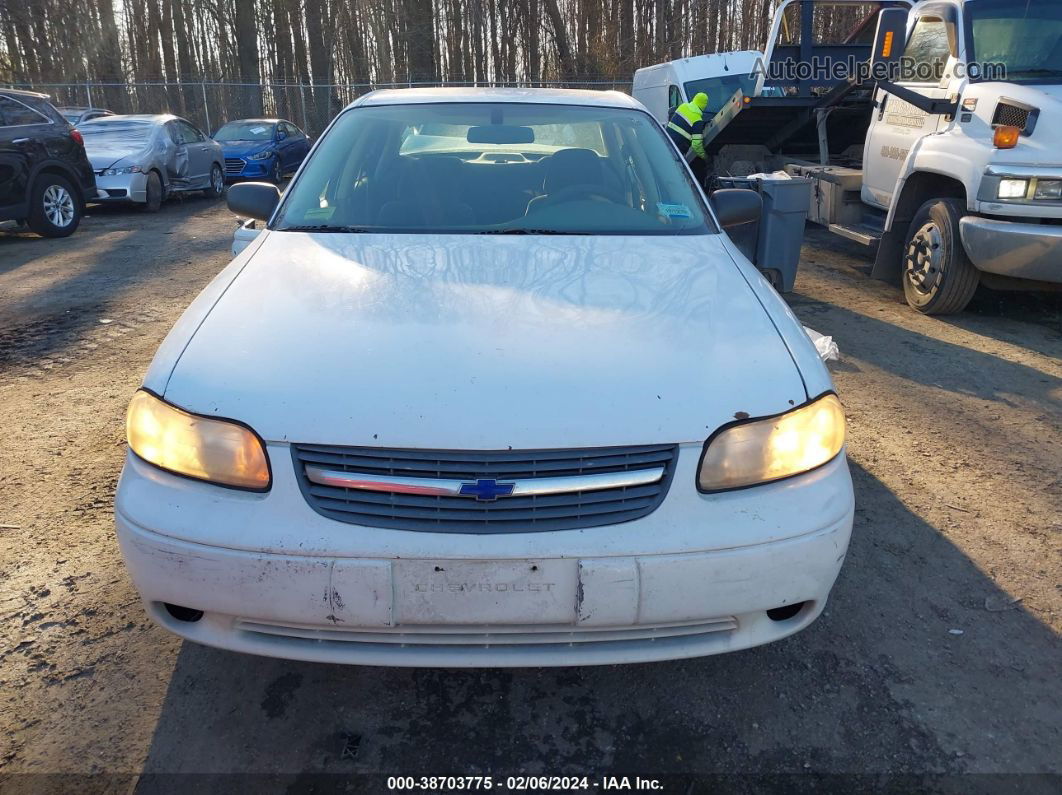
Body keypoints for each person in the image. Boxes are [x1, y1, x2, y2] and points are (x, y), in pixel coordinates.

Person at [666, 91, 709, 185]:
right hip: (678, 150)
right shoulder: (697, 120)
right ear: (704, 105)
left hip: (665, 142)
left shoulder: (683, 106)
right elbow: (696, 146)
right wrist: (705, 157)